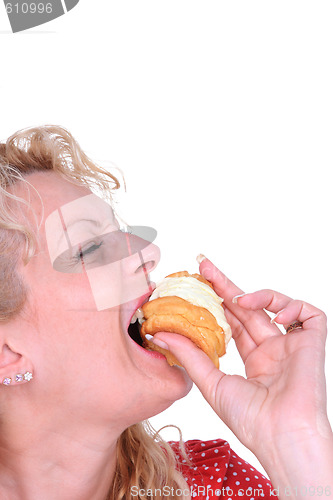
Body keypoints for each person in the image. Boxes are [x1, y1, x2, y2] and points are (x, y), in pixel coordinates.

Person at [0, 125, 331, 500]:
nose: (147, 250)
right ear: (7, 353)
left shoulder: (216, 485)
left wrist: (299, 446)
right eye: (89, 249)